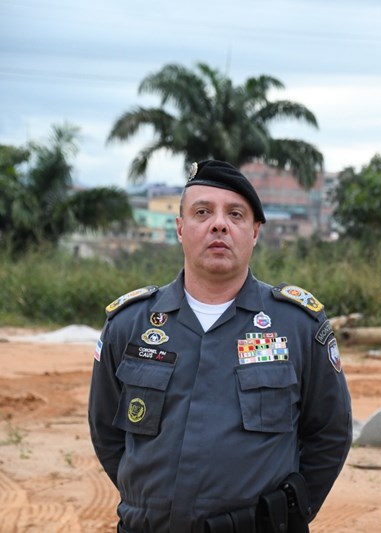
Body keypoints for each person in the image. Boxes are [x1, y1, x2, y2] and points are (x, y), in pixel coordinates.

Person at [88, 160, 352, 533]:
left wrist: (285, 514)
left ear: (255, 231)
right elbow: (107, 430)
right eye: (202, 212)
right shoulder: (130, 324)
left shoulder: (297, 325)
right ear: (180, 229)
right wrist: (155, 502)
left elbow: (330, 433)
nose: (218, 224)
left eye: (235, 214)